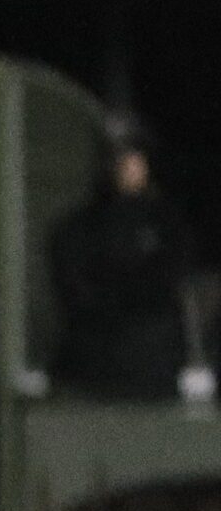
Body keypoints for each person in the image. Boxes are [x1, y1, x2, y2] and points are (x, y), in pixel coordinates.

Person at [49, 114, 211, 402]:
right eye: (118, 157)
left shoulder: (166, 224)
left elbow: (170, 283)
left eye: (134, 156)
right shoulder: (79, 228)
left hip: (155, 369)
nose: (127, 165)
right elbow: (76, 292)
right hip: (93, 370)